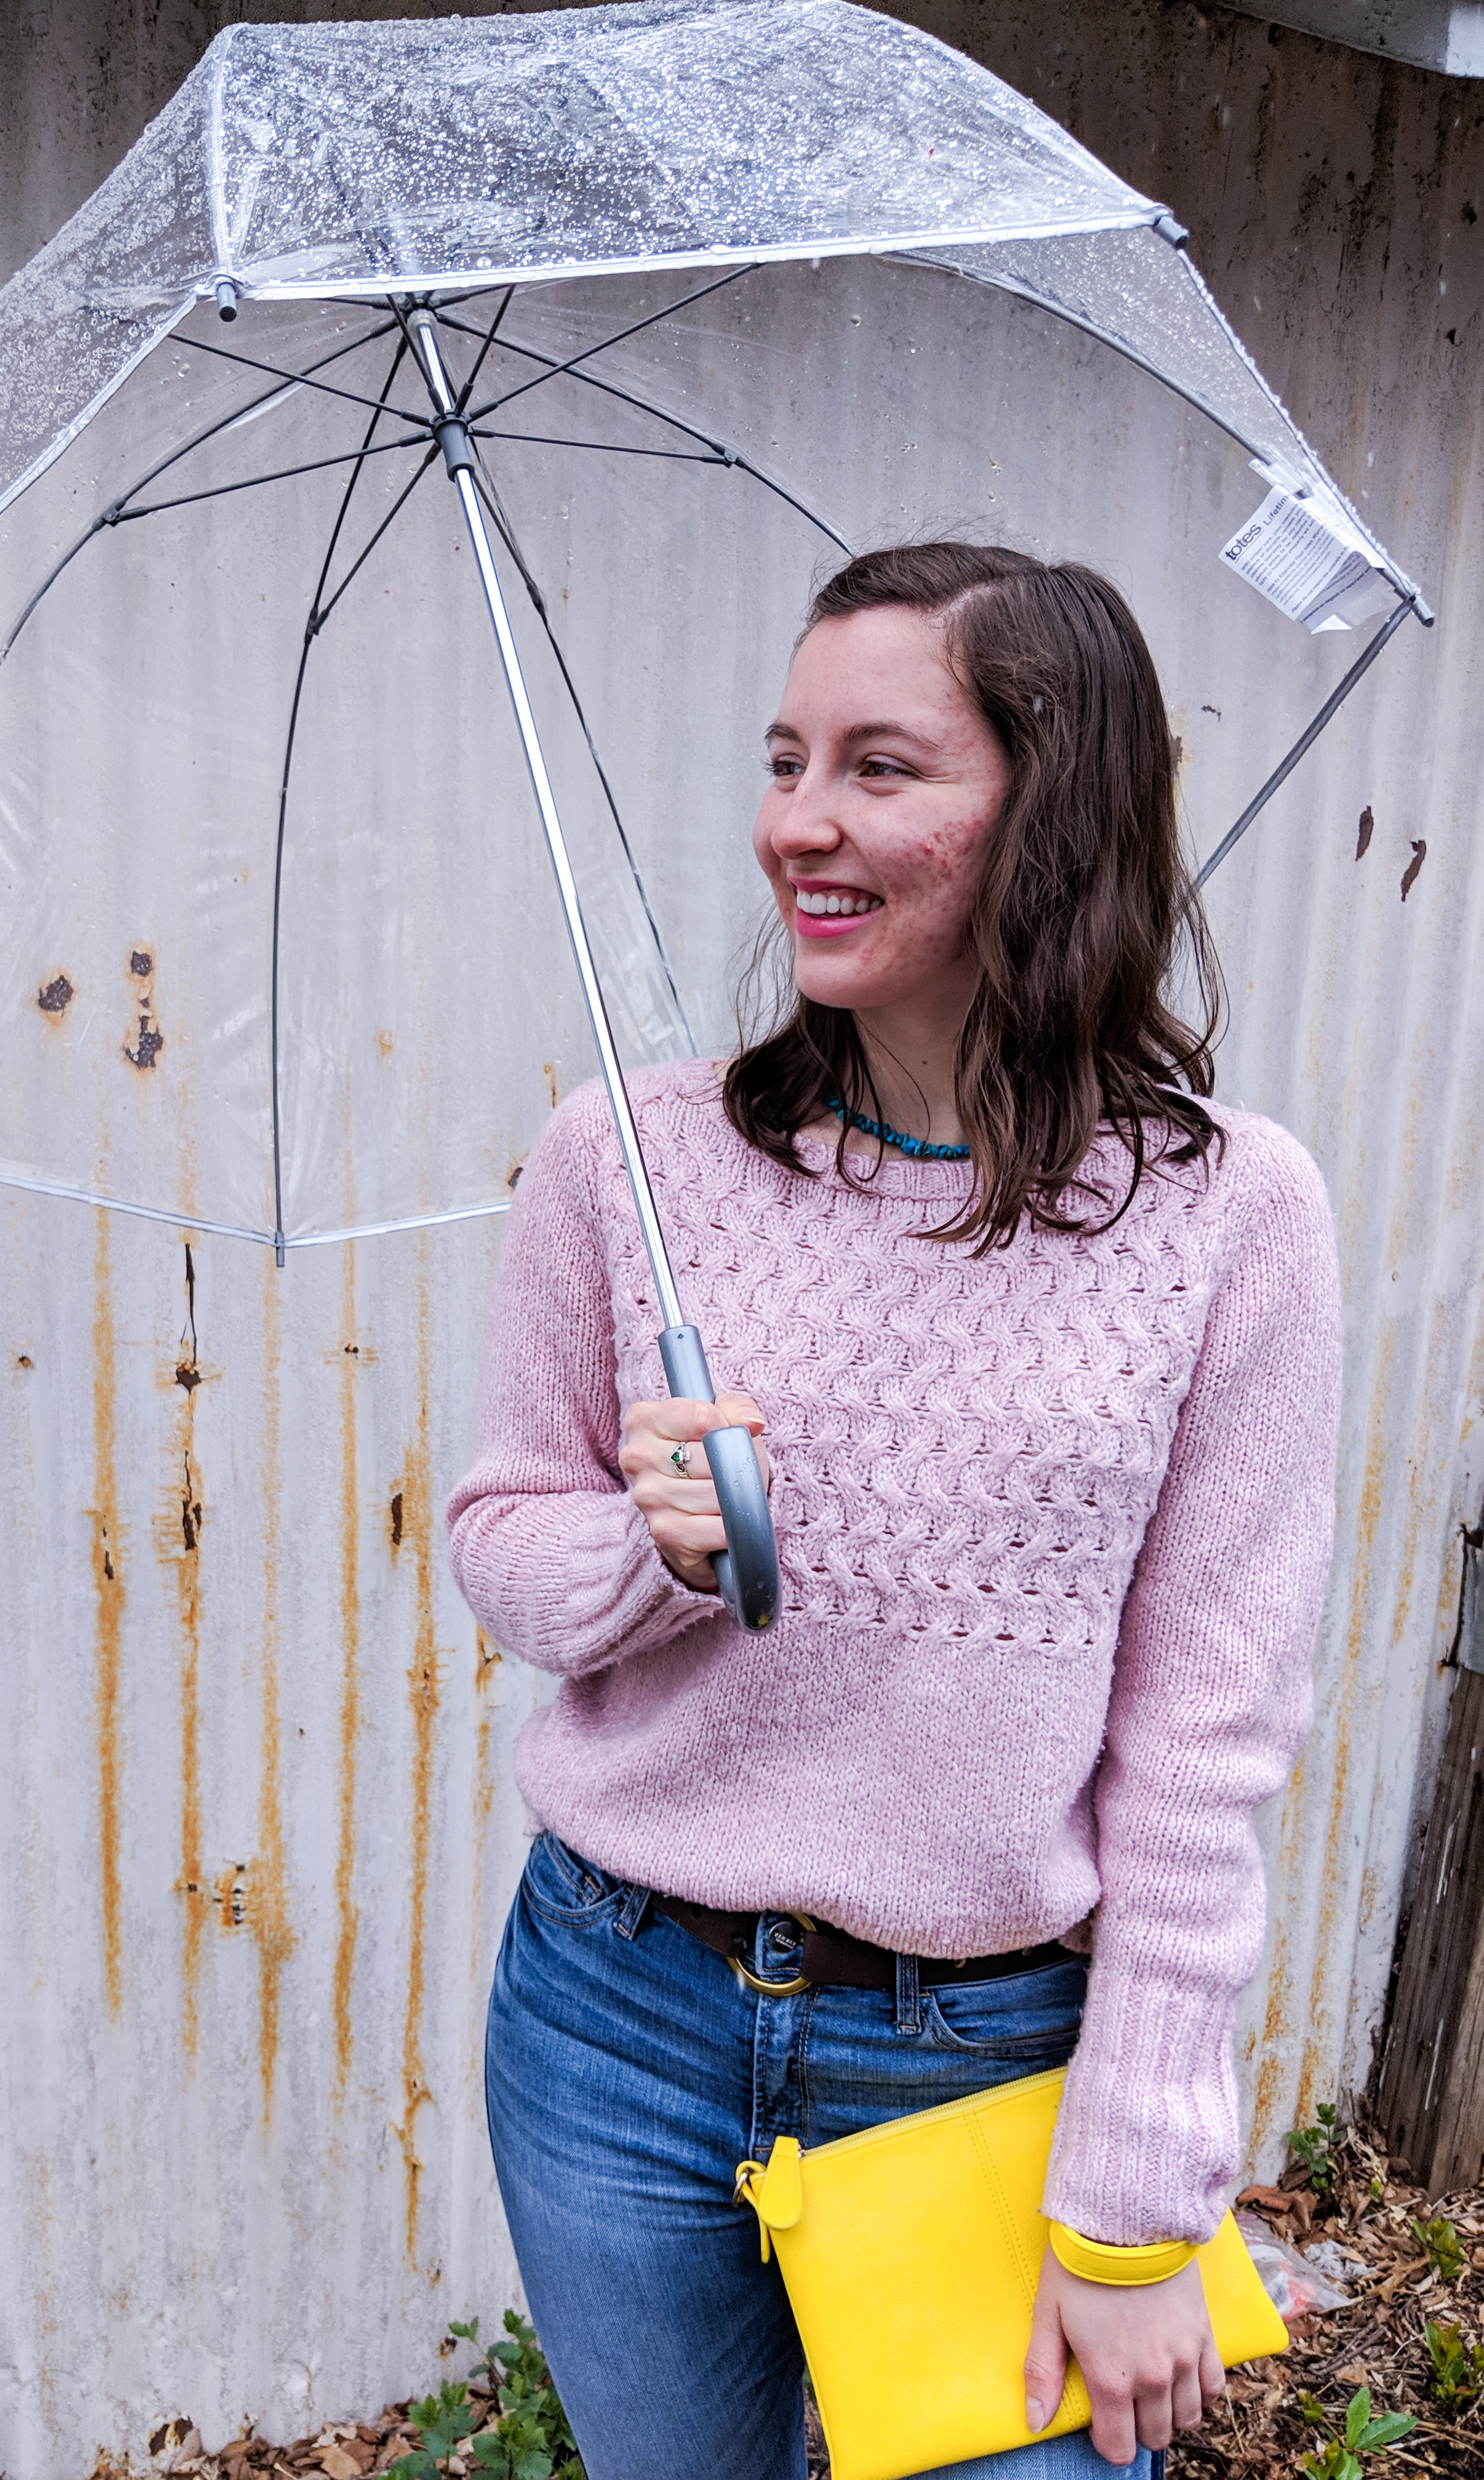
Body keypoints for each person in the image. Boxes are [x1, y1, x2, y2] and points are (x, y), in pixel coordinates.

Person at [445, 543, 1341, 2480]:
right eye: (785, 762)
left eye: (880, 766)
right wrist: (643, 1554)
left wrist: (1133, 2203)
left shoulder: (1229, 1220)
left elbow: (1202, 1755)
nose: (799, 825)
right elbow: (500, 1527)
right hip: (616, 2019)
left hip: (984, 2064)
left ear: (1054, 808)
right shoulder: (630, 1157)